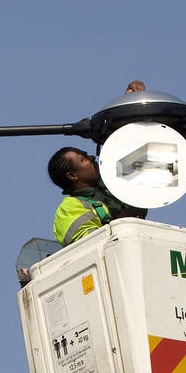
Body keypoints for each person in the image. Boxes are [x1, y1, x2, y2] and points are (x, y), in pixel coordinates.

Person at [48, 80, 148, 247]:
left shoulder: (113, 184)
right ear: (72, 175)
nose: (92, 159)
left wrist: (131, 105)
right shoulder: (69, 209)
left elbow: (136, 154)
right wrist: (130, 216)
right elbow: (92, 245)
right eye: (83, 159)